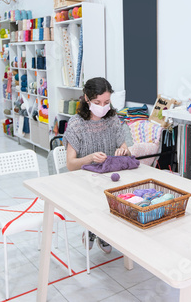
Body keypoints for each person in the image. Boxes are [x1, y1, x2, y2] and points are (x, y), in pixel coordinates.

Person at [64, 77, 130, 253]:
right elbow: (70, 164)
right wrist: (90, 158)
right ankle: (94, 229)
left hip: (109, 177)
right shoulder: (76, 124)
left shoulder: (113, 119)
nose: (102, 106)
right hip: (85, 180)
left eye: (106, 102)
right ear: (87, 99)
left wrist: (123, 151)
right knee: (98, 198)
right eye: (97, 102)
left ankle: (102, 232)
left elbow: (125, 148)